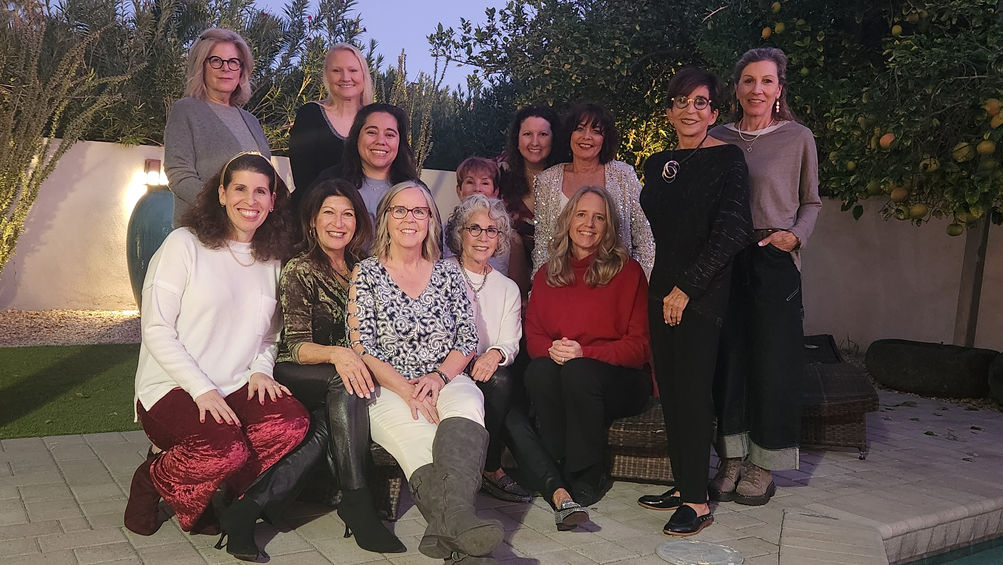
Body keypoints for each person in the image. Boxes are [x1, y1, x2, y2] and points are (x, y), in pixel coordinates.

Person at [124, 152, 310, 561]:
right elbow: (156, 329)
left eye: (261, 191)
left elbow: (270, 334)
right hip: (172, 385)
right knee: (225, 449)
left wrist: (261, 370)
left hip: (235, 382)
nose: (250, 200)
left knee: (291, 423)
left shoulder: (270, 258)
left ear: (273, 200)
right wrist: (201, 389)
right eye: (240, 188)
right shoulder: (184, 244)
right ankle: (151, 479)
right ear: (222, 194)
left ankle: (209, 490)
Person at [347, 182, 504, 563]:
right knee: (419, 441)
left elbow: (467, 339)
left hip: (445, 379)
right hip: (387, 388)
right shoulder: (366, 273)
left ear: (431, 220)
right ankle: (464, 537)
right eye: (400, 210)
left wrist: (437, 378)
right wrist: (406, 390)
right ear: (386, 218)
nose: (410, 218)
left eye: (419, 211)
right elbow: (361, 344)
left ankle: (451, 527)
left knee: (468, 402)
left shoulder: (448, 273)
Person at [635, 67, 752, 536]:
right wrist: (667, 287)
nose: (690, 110)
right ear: (669, 111)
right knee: (671, 392)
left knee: (693, 393)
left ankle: (697, 504)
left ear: (714, 112)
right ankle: (686, 484)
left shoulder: (728, 159)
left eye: (700, 102)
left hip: (701, 294)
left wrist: (687, 288)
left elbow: (733, 232)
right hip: (661, 288)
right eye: (681, 101)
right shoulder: (657, 164)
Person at [708, 47, 822, 506]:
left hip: (774, 258)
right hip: (726, 258)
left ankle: (763, 464)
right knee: (729, 359)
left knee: (772, 363)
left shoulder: (798, 137)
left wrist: (794, 237)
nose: (757, 89)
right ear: (736, 88)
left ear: (779, 89)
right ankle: (732, 458)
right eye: (749, 80)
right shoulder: (716, 137)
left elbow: (811, 201)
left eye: (767, 81)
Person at [272, 178, 406, 553]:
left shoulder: (363, 268)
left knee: (346, 394)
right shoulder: (300, 269)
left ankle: (257, 507)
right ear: (312, 221)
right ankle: (358, 502)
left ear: (358, 222)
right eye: (328, 213)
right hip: (300, 368)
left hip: (348, 373)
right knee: (345, 383)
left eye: (348, 214)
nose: (338, 222)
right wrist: (337, 354)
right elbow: (295, 345)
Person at [524, 186, 652, 508]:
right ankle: (556, 465)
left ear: (609, 227)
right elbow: (534, 334)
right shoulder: (547, 273)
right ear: (568, 220)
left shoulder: (628, 272)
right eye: (581, 214)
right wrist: (553, 351)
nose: (589, 224)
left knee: (578, 372)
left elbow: (639, 347)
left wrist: (585, 354)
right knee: (539, 370)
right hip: (568, 373)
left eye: (599, 218)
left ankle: (587, 473)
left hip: (621, 380)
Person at [443, 195, 532, 504]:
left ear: (499, 238)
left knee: (503, 379)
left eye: (491, 230)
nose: (483, 237)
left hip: (487, 372)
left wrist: (494, 354)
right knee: (505, 395)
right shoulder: (440, 274)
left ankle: (487, 468)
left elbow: (510, 342)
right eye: (475, 229)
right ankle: (490, 468)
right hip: (446, 369)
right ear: (460, 233)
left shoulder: (508, 288)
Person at [532, 102, 654, 279]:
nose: (586, 137)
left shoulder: (623, 175)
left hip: (617, 281)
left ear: (605, 139)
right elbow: (543, 245)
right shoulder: (547, 180)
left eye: (596, 131)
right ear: (569, 134)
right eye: (580, 129)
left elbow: (645, 239)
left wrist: (638, 283)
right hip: (563, 282)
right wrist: (540, 286)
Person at [165, 29, 271, 226]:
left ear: (241, 70)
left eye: (233, 62)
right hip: (204, 230)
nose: (226, 68)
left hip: (248, 233)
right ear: (201, 66)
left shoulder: (251, 121)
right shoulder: (186, 110)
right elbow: (179, 175)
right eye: (216, 61)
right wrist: (224, 208)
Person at [289, 43, 374, 209]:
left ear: (363, 74)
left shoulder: (377, 120)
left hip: (367, 215)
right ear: (326, 75)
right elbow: (303, 180)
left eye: (353, 70)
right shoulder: (310, 115)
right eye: (336, 70)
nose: (345, 77)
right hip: (315, 212)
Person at [313, 103, 418, 221]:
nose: (380, 141)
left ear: (400, 142)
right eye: (371, 132)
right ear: (357, 137)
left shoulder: (415, 190)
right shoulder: (328, 181)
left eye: (389, 135)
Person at [498, 105, 563, 296]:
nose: (535, 142)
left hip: (558, 277)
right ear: (516, 138)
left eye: (543, 134)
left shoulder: (567, 175)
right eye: (527, 134)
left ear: (554, 138)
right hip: (505, 281)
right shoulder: (498, 172)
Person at [444, 157, 509, 276]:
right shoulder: (440, 232)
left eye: (485, 183)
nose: (477, 189)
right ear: (459, 190)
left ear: (495, 192)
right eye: (470, 182)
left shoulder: (512, 239)